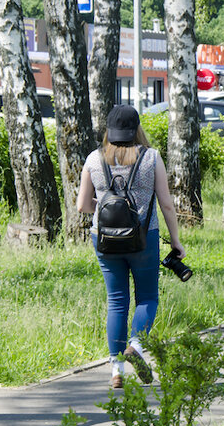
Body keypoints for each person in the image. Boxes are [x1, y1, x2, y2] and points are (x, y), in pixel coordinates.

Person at [77, 105, 185, 389]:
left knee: (116, 301)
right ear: (137, 129)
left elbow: (83, 205)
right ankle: (135, 345)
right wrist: (175, 241)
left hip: (104, 239)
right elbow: (166, 204)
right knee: (148, 297)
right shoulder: (151, 158)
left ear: (109, 131)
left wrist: (104, 207)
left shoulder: (93, 158)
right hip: (143, 238)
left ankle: (116, 371)